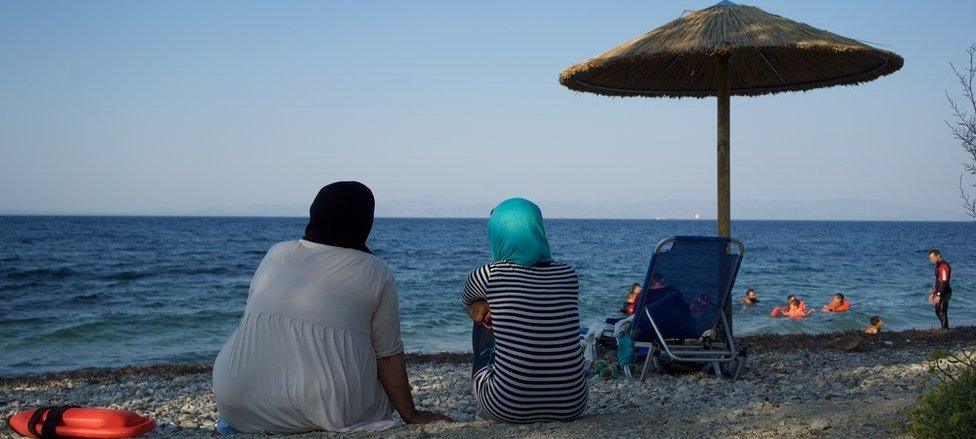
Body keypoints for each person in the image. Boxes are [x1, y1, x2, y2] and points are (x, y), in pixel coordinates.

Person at [212, 182, 450, 434]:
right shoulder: (376, 272)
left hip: (235, 401)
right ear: (364, 221)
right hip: (327, 410)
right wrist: (410, 414)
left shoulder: (276, 253)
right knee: (373, 380)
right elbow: (388, 355)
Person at [461, 198, 587, 423]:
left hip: (506, 406)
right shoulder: (569, 274)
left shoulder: (489, 275)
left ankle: (489, 401)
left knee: (484, 317)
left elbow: (468, 305)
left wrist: (488, 306)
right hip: (572, 404)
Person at [928, 250, 953, 329]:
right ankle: (944, 328)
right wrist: (932, 293)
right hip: (939, 291)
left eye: (932, 258)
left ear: (938, 256)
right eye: (930, 259)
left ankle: (945, 329)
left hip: (944, 292)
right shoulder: (938, 265)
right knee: (937, 311)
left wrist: (939, 295)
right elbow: (938, 280)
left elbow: (944, 281)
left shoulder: (944, 266)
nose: (931, 260)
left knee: (942, 311)